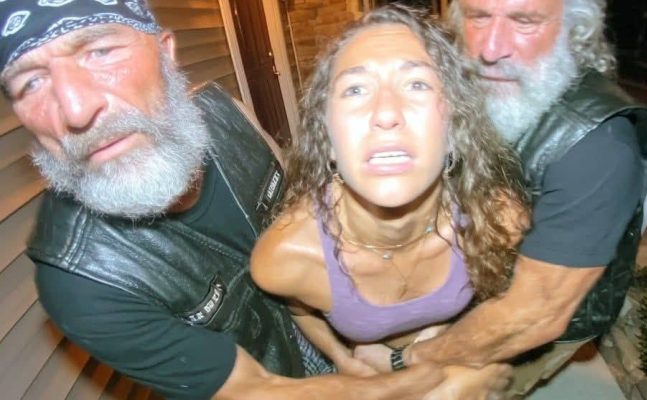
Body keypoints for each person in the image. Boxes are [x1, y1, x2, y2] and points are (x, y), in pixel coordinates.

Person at [0, 1, 509, 399]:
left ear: (166, 53)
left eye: (100, 52)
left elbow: (305, 200)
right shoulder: (82, 282)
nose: (75, 109)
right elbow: (259, 391)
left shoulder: (227, 112)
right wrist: (433, 382)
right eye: (31, 82)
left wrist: (361, 342)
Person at [356, 0, 647, 397]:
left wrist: (405, 360)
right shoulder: (485, 84)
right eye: (478, 16)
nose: (490, 48)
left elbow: (531, 316)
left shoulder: (600, 147)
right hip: (475, 276)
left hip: (523, 321)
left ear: (573, 29)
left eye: (524, 21)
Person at [251, 3, 527, 380]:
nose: (385, 113)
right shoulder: (286, 258)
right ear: (327, 140)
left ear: (455, 128)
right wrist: (342, 357)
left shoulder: (499, 221)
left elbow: (509, 303)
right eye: (355, 89)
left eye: (416, 84)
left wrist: (439, 342)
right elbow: (299, 310)